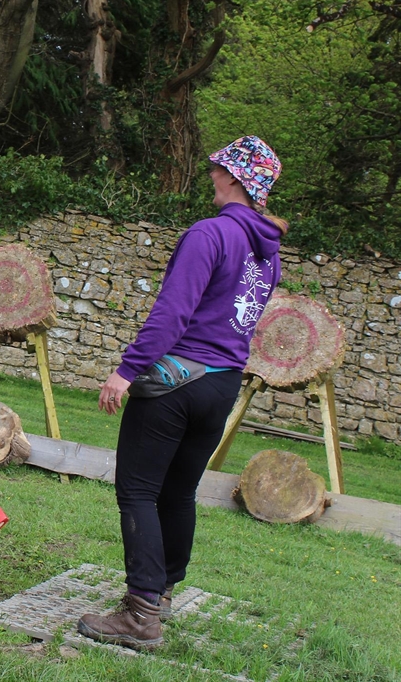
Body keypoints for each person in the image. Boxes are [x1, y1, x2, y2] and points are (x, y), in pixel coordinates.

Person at [77, 136, 287, 650]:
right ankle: (164, 592)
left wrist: (126, 371)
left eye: (217, 169)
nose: (210, 175)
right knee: (177, 492)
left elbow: (172, 312)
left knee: (139, 492)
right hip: (222, 385)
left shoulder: (209, 234)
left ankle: (140, 616)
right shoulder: (269, 252)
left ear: (236, 179)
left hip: (176, 381)